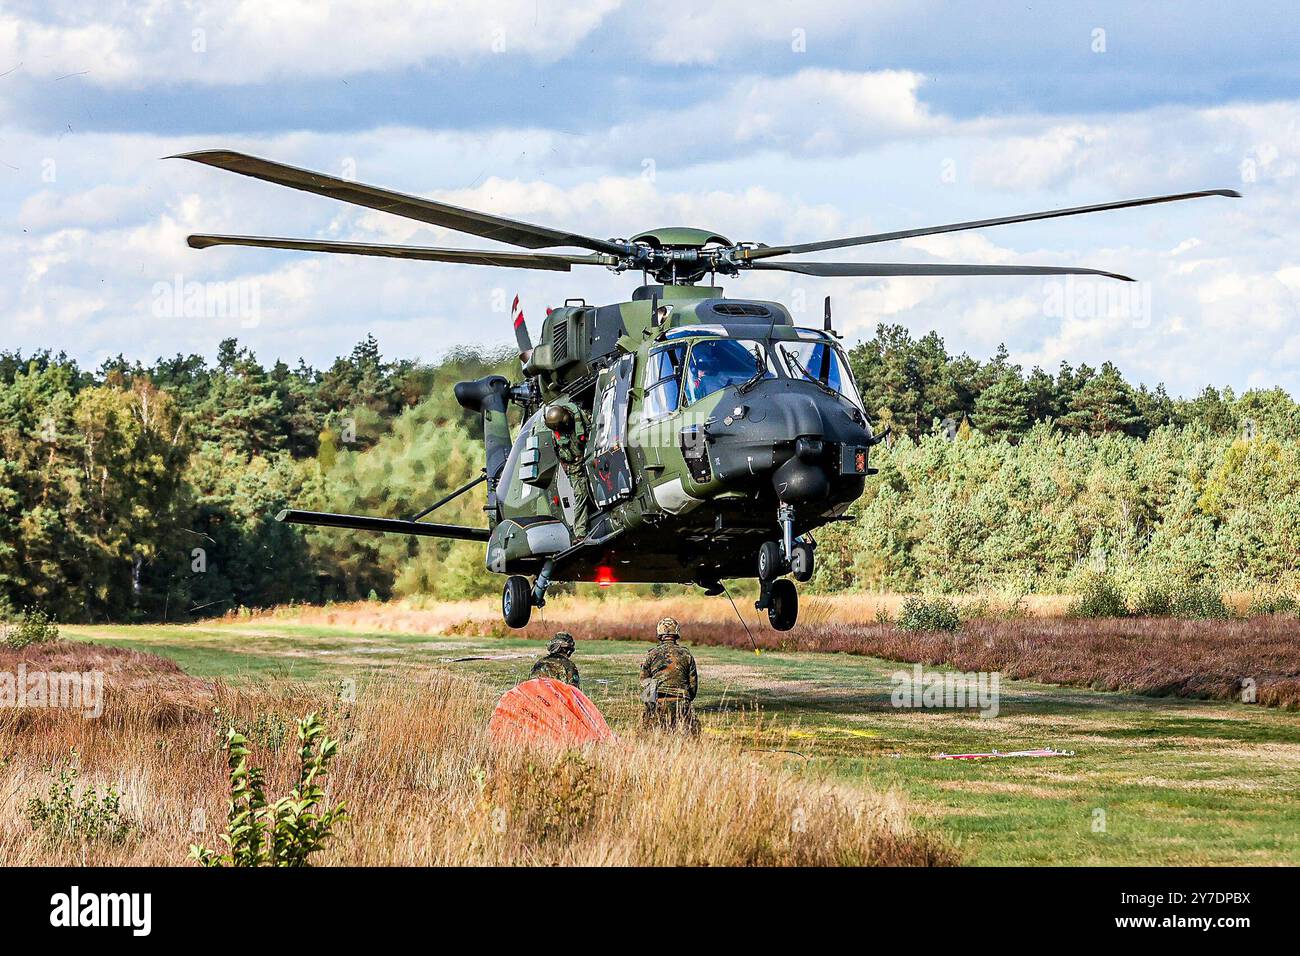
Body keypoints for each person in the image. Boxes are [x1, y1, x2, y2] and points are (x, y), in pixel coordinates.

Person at [639, 617, 699, 735]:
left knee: (652, 736)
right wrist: (686, 699)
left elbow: (644, 682)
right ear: (677, 633)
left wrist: (650, 705)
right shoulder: (687, 654)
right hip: (681, 701)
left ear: (659, 633)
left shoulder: (652, 654)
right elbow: (693, 685)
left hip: (659, 701)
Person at [545, 400, 592, 540]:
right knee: (580, 495)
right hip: (574, 465)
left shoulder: (580, 416)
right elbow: (560, 456)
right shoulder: (557, 433)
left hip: (590, 453)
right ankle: (580, 533)